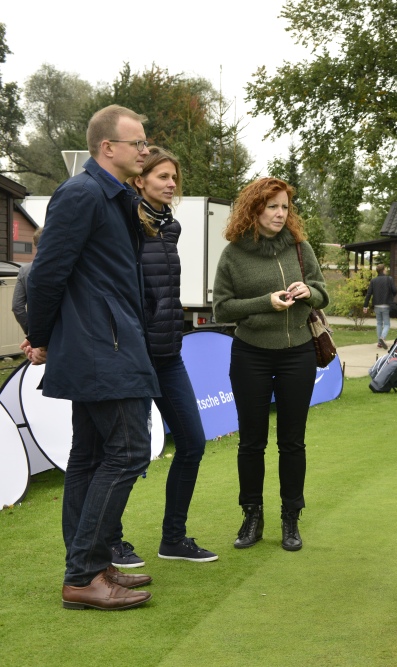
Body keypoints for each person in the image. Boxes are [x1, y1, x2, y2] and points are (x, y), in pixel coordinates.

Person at [23, 104, 158, 610]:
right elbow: (46, 274)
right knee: (128, 452)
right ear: (107, 147)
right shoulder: (81, 193)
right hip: (101, 348)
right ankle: (82, 575)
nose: (144, 150)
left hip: (108, 342)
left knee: (91, 455)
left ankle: (91, 565)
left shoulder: (116, 195)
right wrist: (40, 336)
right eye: (137, 142)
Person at [213, 177, 330, 552]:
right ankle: (252, 516)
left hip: (298, 352)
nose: (280, 214)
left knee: (292, 442)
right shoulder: (233, 254)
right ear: (254, 209)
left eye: (285, 207)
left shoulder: (300, 248)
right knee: (251, 442)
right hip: (251, 354)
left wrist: (309, 291)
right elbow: (222, 309)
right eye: (272, 206)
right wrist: (266, 302)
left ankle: (290, 518)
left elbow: (322, 293)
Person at [116, 146, 215, 565]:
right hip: (133, 357)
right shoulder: (124, 223)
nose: (171, 184)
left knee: (192, 443)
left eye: (174, 177)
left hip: (169, 354)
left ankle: (173, 539)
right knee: (127, 455)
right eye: (162, 176)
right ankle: (110, 541)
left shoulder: (169, 226)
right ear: (140, 181)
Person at [11, 228, 43, 335]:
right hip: (62, 333)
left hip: (37, 332)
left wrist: (30, 330)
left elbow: (17, 307)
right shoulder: (66, 269)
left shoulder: (24, 270)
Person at [363, 263, 397, 348]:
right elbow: (394, 290)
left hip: (376, 305)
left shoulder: (373, 281)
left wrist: (365, 306)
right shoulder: (389, 279)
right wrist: (391, 296)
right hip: (386, 305)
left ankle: (379, 342)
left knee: (379, 323)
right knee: (387, 324)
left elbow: (369, 294)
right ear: (383, 270)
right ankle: (382, 337)